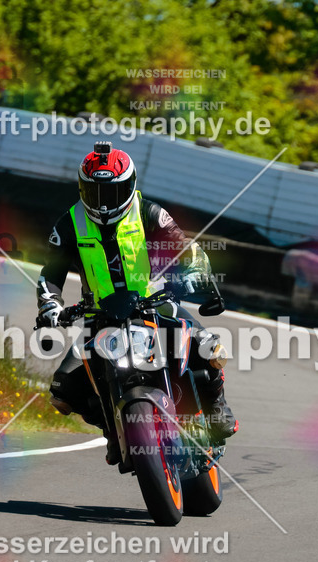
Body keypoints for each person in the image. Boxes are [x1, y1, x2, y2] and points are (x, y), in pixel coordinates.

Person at [36, 141, 237, 464]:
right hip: (100, 315)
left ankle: (216, 408)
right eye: (95, 192)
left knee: (208, 346)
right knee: (63, 391)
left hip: (153, 302)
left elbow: (186, 249)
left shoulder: (149, 213)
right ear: (82, 189)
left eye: (112, 192)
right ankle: (113, 429)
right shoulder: (69, 223)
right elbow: (51, 273)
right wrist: (51, 305)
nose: (104, 202)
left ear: (129, 185)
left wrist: (195, 276)